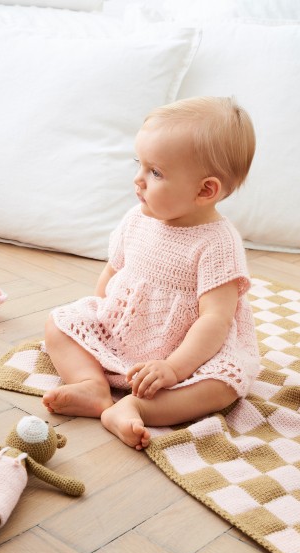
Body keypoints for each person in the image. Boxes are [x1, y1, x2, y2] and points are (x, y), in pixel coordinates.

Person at [42, 96, 260, 450]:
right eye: (139, 165)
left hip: (188, 352)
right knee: (59, 322)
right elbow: (113, 271)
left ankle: (136, 407)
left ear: (205, 190)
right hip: (124, 329)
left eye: (155, 172)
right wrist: (99, 323)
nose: (138, 180)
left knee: (225, 384)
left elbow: (215, 320)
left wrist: (173, 368)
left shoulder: (217, 243)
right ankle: (91, 384)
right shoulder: (137, 218)